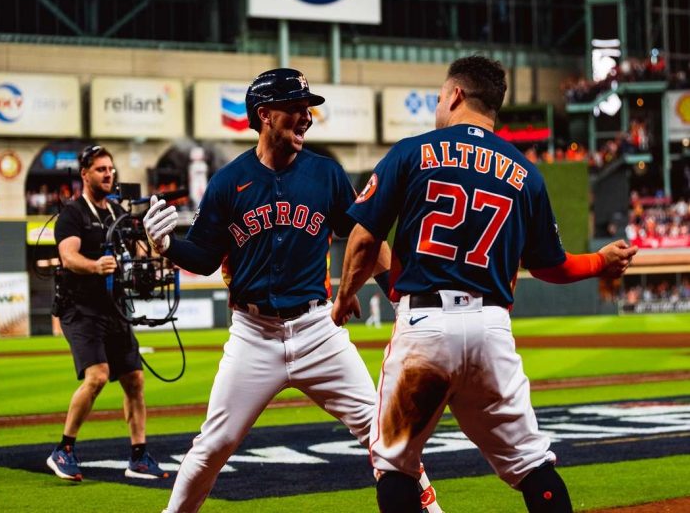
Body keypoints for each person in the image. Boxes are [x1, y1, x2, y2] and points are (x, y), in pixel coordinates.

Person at [331, 56, 638, 513]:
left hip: (425, 326)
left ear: (455, 95)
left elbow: (362, 239)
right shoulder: (526, 173)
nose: (438, 105)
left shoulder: (412, 152)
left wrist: (344, 295)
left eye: (439, 96)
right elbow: (551, 266)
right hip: (491, 327)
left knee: (395, 465)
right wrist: (599, 260)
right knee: (533, 465)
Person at [143, 68, 442, 513]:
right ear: (265, 115)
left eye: (308, 109)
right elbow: (203, 258)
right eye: (296, 109)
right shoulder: (229, 182)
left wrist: (396, 296)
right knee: (213, 445)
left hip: (317, 329)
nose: (307, 118)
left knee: (384, 432)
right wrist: (166, 246)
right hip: (253, 335)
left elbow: (364, 237)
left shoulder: (326, 174)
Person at [47, 145, 168, 482]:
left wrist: (153, 262)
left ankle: (139, 457)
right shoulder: (73, 213)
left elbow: (139, 248)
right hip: (79, 307)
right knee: (98, 376)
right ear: (84, 174)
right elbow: (68, 257)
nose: (108, 174)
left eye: (110, 169)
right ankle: (64, 449)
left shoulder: (117, 211)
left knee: (134, 379)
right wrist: (95, 265)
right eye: (100, 169)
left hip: (113, 306)